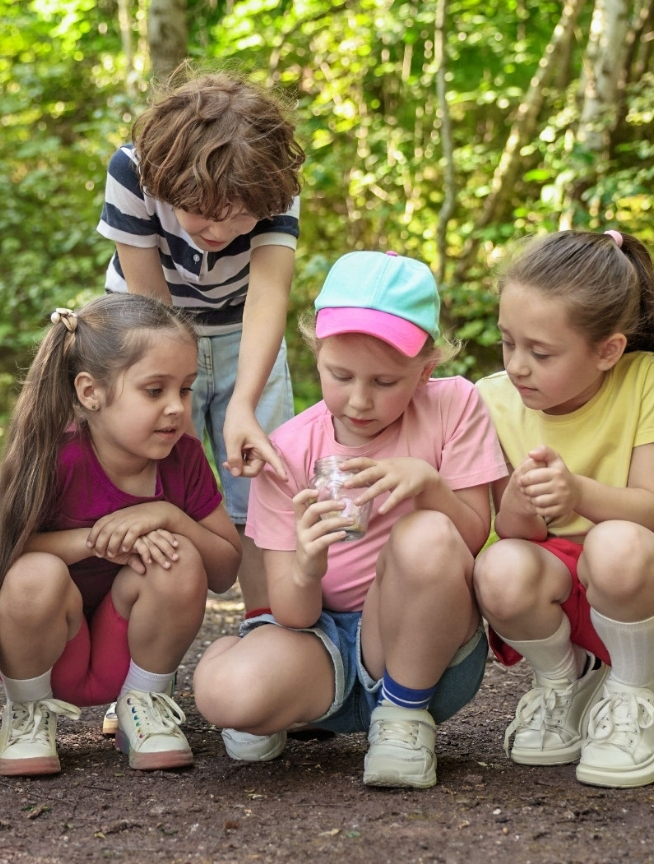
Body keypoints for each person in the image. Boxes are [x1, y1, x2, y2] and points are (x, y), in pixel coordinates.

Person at [193, 250, 507, 789]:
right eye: (341, 375)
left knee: (428, 532)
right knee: (227, 695)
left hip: (430, 655)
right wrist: (308, 563)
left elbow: (473, 536)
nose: (359, 400)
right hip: (323, 648)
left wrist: (430, 485)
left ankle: (403, 719)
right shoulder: (288, 451)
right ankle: (257, 676)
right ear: (316, 352)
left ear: (425, 369)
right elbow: (293, 613)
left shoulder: (453, 405)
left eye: (385, 382)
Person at [0, 294, 241, 776]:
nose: (176, 408)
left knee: (178, 557)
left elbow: (224, 570)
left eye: (186, 389)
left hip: (127, 651)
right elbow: (8, 551)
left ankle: (144, 707)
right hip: (50, 651)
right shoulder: (54, 459)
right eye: (155, 391)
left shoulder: (184, 460)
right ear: (91, 392)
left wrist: (169, 517)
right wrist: (98, 540)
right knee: (33, 573)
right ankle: (28, 713)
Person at [97, 61, 305, 612]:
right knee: (153, 474)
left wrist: (242, 407)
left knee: (260, 484)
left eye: (238, 220)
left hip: (244, 333)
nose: (217, 235)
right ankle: (135, 628)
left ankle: (266, 625)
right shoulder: (133, 172)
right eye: (200, 216)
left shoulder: (269, 180)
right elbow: (151, 304)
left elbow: (268, 296)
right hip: (148, 334)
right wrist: (175, 396)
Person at [475, 229, 654, 788]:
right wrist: (524, 505)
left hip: (635, 583)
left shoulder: (643, 382)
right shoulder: (492, 399)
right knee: (499, 568)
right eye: (508, 343)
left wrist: (578, 494)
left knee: (617, 542)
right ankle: (564, 682)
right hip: (557, 581)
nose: (518, 366)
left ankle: (632, 693)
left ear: (607, 350)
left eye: (540, 352)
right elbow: (507, 531)